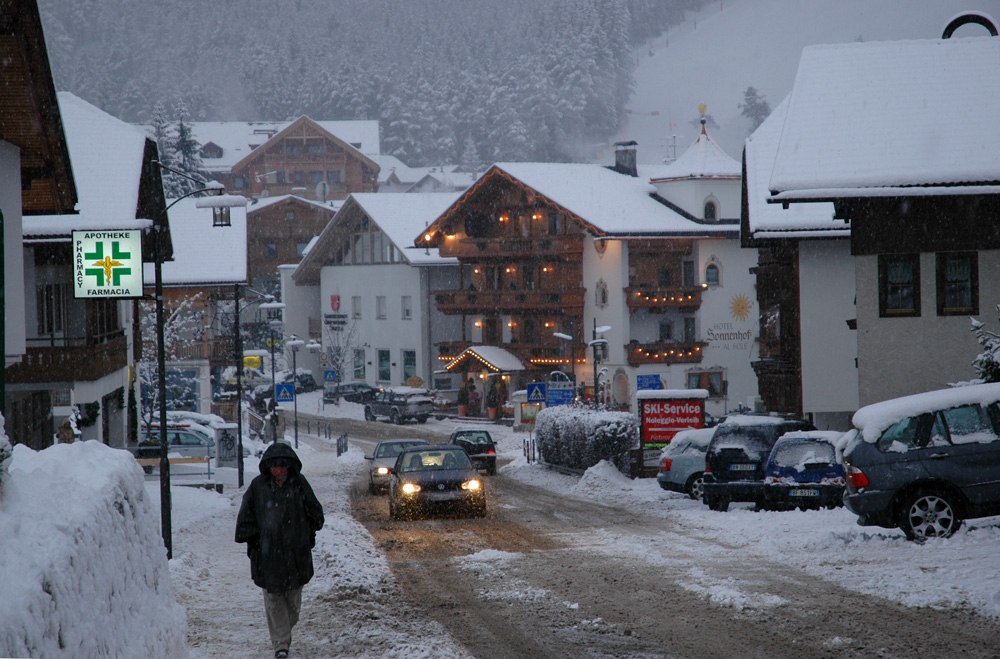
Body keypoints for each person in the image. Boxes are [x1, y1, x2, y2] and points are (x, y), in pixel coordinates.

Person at [235, 442, 324, 659]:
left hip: (295, 554)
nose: (277, 469)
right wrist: (257, 543)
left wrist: (305, 534)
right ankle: (281, 645)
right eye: (273, 465)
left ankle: (284, 631)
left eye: (282, 465)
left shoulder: (299, 484)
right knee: (274, 601)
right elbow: (245, 519)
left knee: (292, 605)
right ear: (267, 466)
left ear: (289, 466)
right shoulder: (258, 487)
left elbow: (315, 512)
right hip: (268, 555)